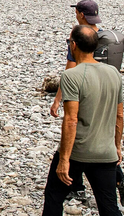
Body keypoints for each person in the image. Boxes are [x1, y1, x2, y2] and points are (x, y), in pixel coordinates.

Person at [41, 25, 123, 216]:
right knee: (109, 206)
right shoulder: (114, 73)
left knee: (54, 196)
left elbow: (71, 120)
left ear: (74, 45)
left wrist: (64, 159)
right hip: (106, 152)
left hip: (78, 152)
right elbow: (119, 115)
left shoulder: (72, 75)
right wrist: (117, 147)